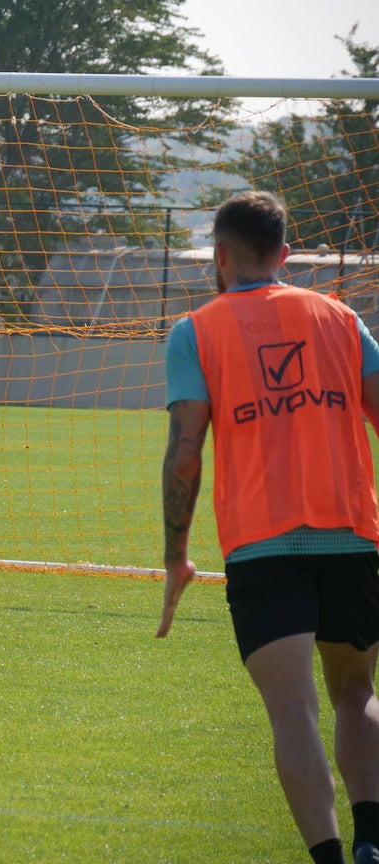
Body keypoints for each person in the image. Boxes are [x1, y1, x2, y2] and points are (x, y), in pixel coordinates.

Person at [158, 190, 379, 864]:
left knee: (293, 712)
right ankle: (372, 843)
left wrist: (176, 556)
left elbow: (186, 450)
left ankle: (330, 859)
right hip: (352, 536)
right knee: (356, 691)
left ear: (220, 256)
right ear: (285, 255)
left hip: (260, 545)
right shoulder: (341, 316)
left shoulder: (195, 329)